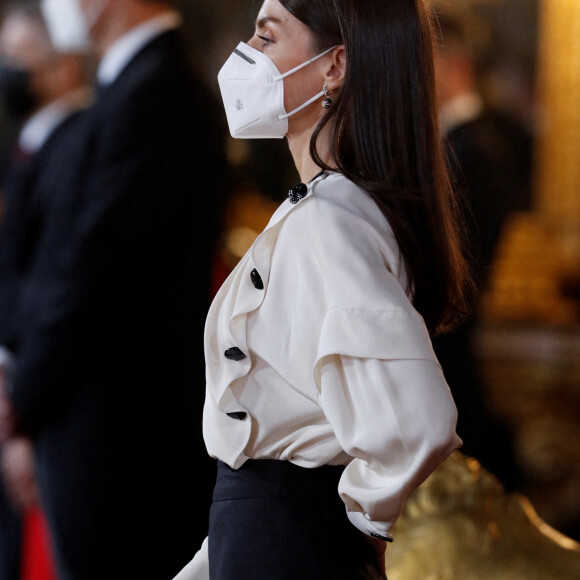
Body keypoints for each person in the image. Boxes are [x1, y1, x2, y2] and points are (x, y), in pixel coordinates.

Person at [174, 0, 471, 578]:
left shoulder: (330, 220)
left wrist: (361, 521)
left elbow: (421, 423)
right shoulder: (328, 208)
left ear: (334, 66)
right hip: (264, 537)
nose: (247, 55)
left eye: (266, 36)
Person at [0, 0, 229, 578]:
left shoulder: (159, 91)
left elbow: (92, 274)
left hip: (128, 444)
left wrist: (19, 398)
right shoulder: (134, 83)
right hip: (104, 430)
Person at [0, 3, 93, 578]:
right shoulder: (31, 149)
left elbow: (58, 292)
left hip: (48, 413)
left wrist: (20, 412)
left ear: (63, 67)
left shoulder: (77, 147)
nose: (7, 72)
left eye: (17, 58)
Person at [430, 10, 533, 492]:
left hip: (450, 353)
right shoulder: (457, 147)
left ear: (453, 66)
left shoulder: (474, 152)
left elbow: (458, 270)